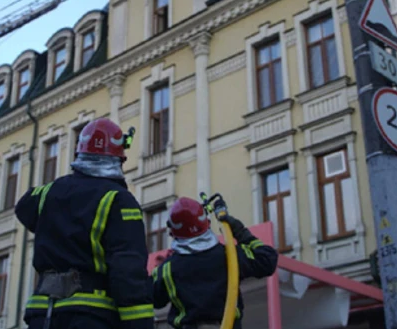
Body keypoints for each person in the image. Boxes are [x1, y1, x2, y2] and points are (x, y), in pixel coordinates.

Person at [15, 117, 154, 329]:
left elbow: (23, 206)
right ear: (119, 158)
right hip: (90, 315)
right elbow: (128, 273)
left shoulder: (48, 193)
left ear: (80, 152)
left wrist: (59, 227)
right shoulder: (119, 201)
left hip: (42, 314)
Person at [151, 197, 278, 329]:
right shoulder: (230, 255)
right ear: (207, 223)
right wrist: (240, 232)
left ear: (172, 232)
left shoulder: (168, 269)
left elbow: (154, 299)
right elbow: (267, 260)